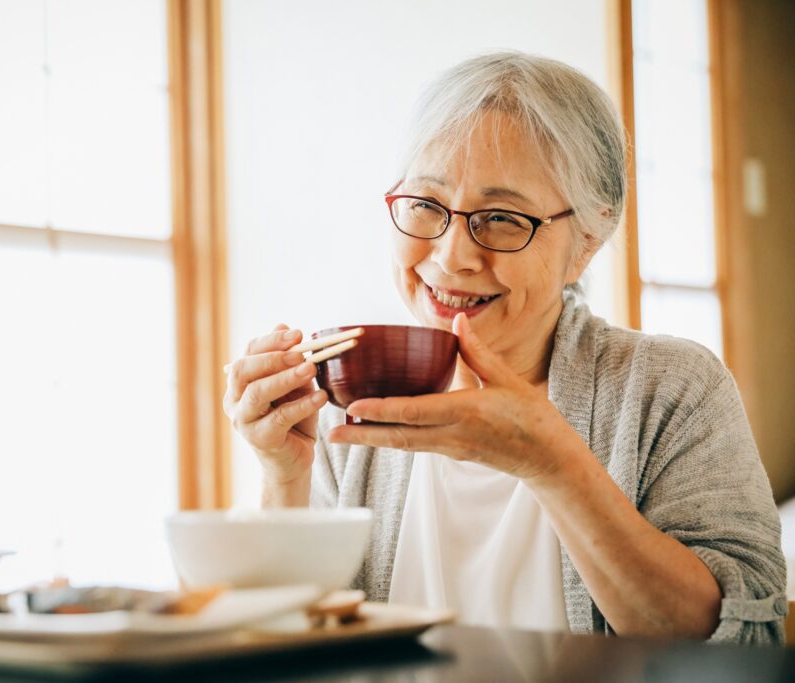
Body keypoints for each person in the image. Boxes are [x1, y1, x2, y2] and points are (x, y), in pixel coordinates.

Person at [222, 52, 786, 644]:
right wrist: (283, 477)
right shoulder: (355, 395)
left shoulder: (672, 389)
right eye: (425, 206)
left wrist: (553, 465)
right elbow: (287, 646)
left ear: (588, 240)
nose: (451, 257)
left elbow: (749, 644)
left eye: (501, 218)